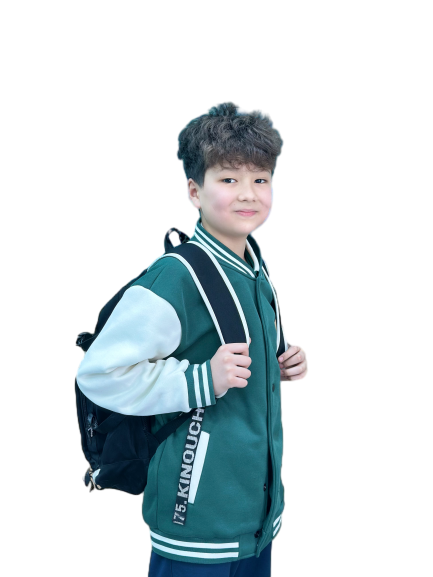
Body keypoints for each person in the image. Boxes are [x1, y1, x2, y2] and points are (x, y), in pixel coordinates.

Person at [76, 101, 309, 576]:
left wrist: (284, 359)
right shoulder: (175, 277)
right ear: (193, 191)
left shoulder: (257, 267)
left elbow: (248, 341)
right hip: (196, 522)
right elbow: (98, 373)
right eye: (229, 179)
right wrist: (201, 379)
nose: (248, 194)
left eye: (261, 179)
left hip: (258, 520)